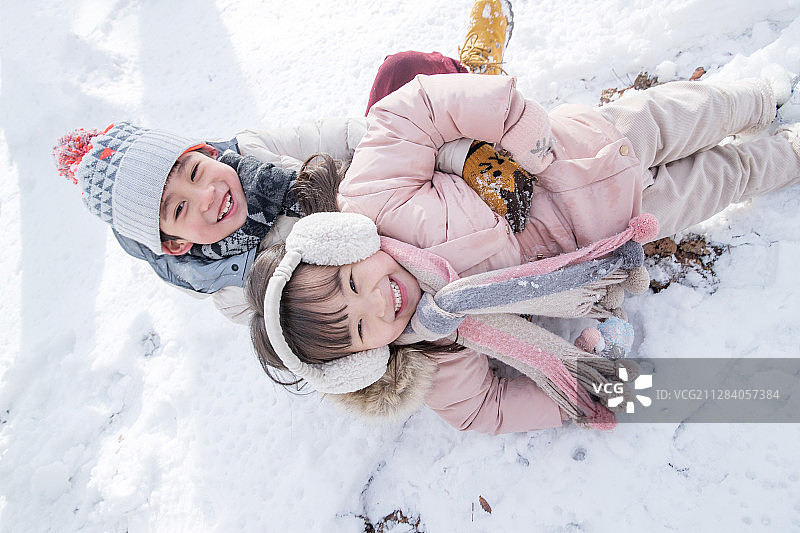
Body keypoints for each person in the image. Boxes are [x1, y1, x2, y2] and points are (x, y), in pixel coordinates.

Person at [246, 70, 800, 434]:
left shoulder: (373, 197)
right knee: (723, 180)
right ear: (367, 359)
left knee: (695, 110)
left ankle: (760, 98)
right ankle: (790, 154)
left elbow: (414, 109)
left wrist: (520, 134)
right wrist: (578, 392)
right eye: (362, 328)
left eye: (350, 283)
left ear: (341, 244)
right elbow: (485, 409)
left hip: (581, 146)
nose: (377, 301)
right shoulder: (436, 344)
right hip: (617, 227)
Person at [51, 0, 513, 324]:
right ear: (175, 244)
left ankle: (475, 82)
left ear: (205, 152)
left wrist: (449, 155)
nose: (207, 195)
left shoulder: (249, 151)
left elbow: (344, 136)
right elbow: (320, 331)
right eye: (179, 208)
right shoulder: (237, 289)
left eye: (193, 172)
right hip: (393, 264)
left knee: (403, 75)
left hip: (383, 184)